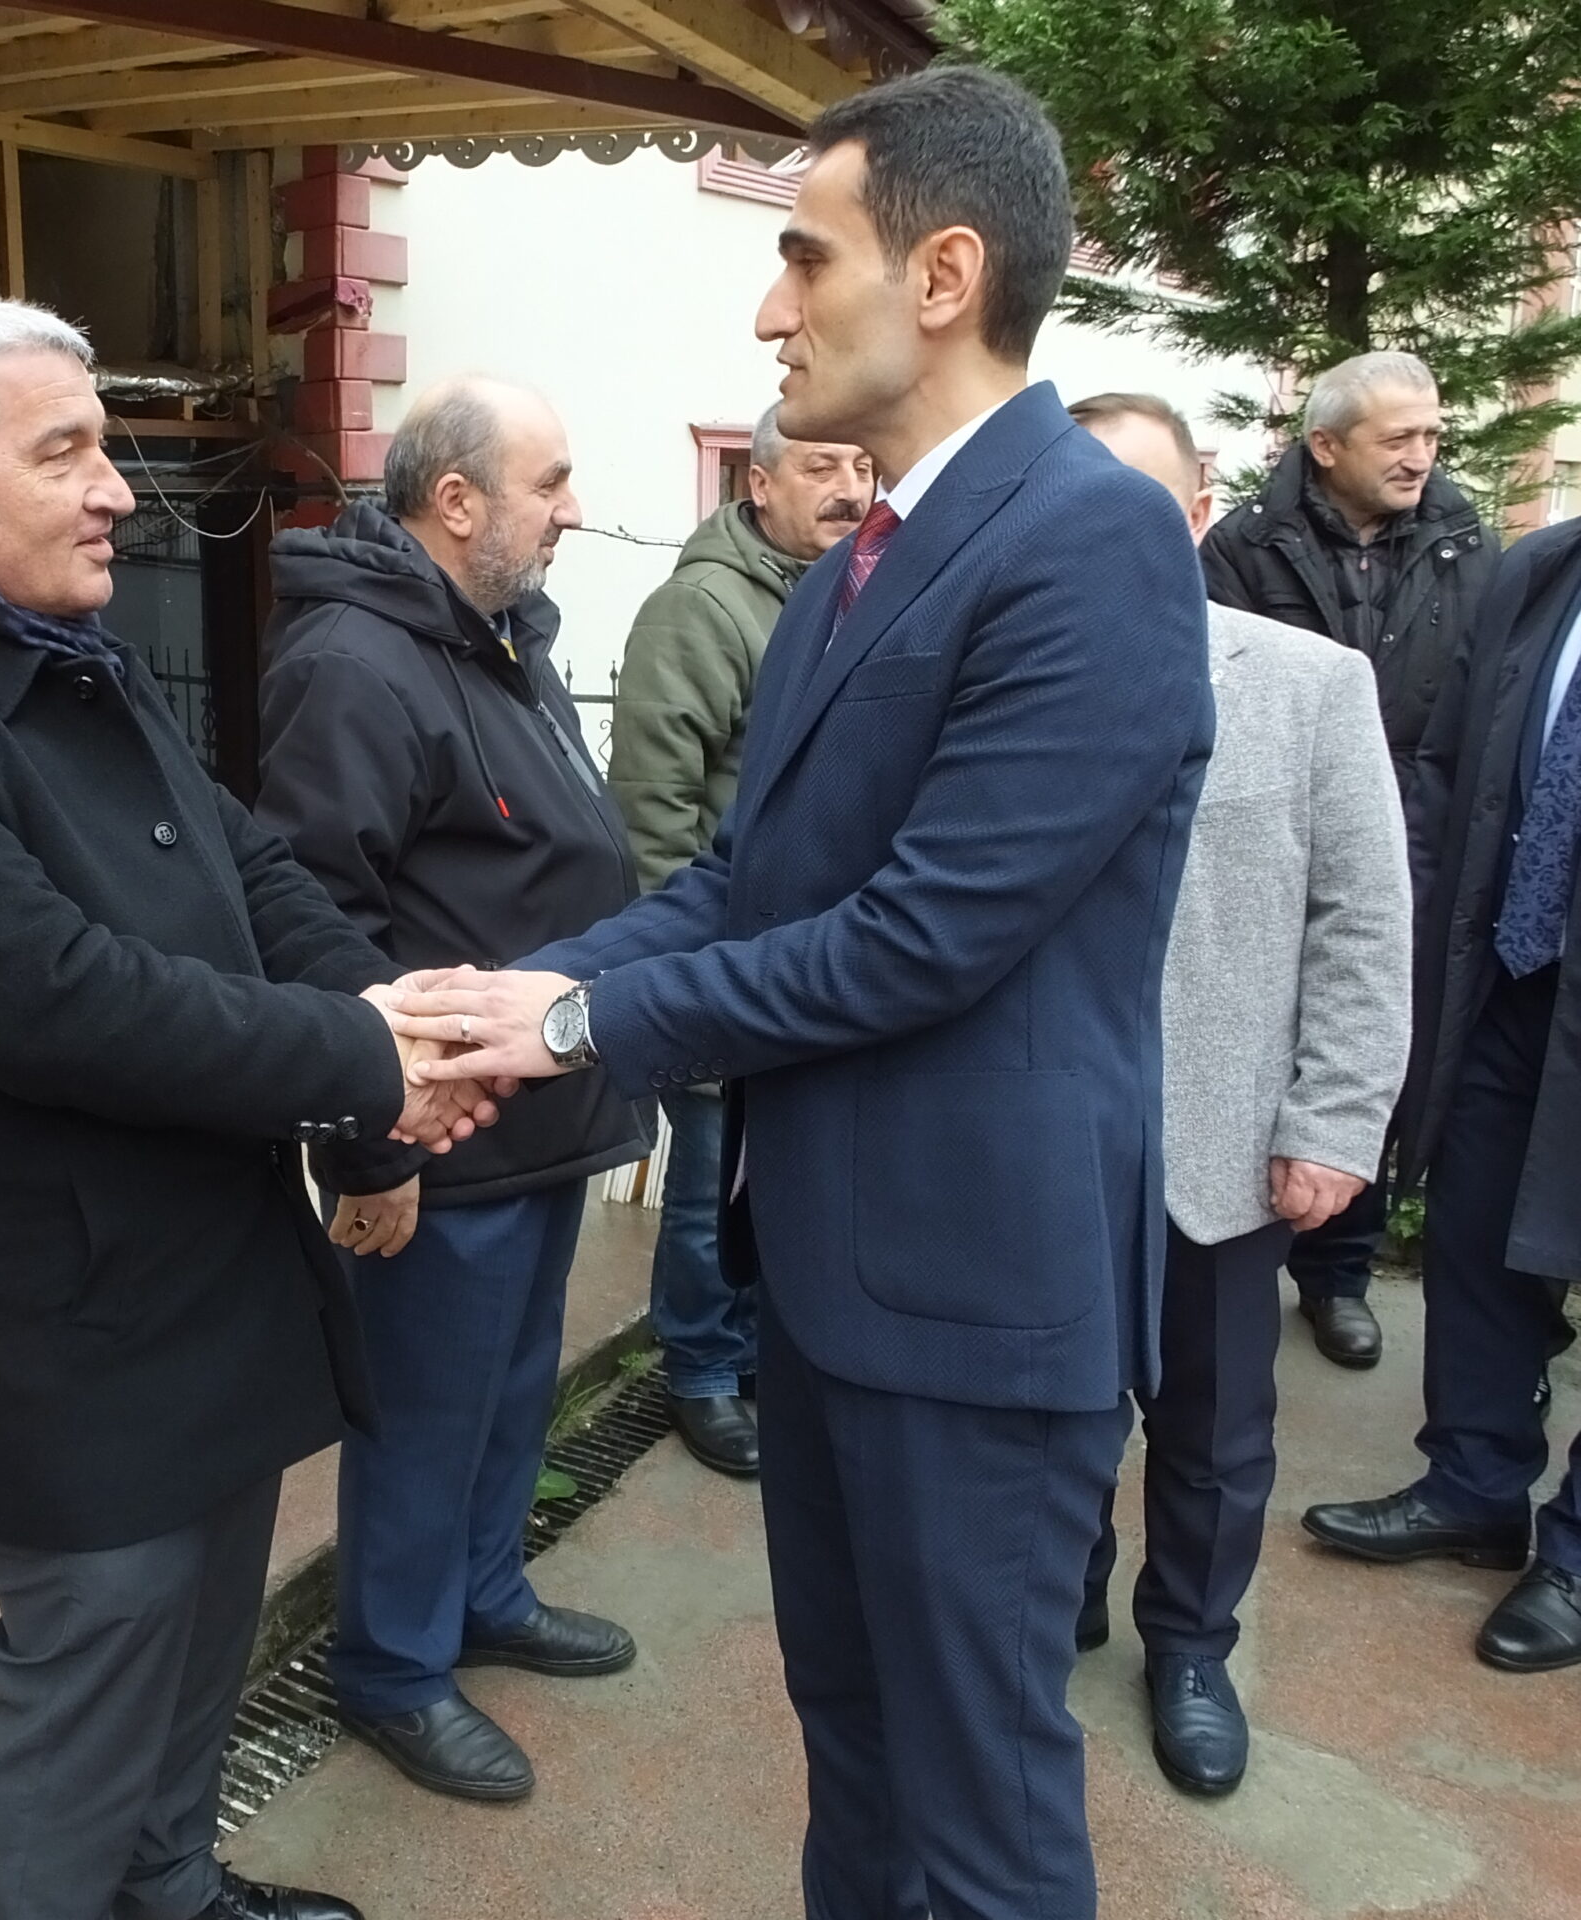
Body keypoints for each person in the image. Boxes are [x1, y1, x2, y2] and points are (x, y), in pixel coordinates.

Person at [387, 67, 1212, 1920]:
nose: (771, 309)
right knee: (853, 1745)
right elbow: (749, 887)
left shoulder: (1086, 539)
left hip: (976, 1313)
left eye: (806, 257)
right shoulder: (861, 563)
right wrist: (516, 993)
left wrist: (576, 1030)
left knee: (979, 1817)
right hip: (833, 1293)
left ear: (943, 274)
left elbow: (925, 936)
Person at [0, 297, 496, 1920]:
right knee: (88, 1710)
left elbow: (259, 878)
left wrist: (404, 1043)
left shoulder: (79, 665)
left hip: (220, 1287)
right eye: (65, 453)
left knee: (201, 1659)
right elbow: (61, 1001)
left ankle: (179, 1894)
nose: (116, 493)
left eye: (108, 448)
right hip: (76, 1337)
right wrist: (366, 1058)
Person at [253, 376, 648, 1804]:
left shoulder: (497, 636)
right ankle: (393, 1670)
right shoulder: (355, 665)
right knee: (424, 1420)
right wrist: (374, 1150)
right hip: (440, 1135)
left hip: (537, 1115)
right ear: (457, 500)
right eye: (550, 483)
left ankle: (485, 1594)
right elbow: (313, 923)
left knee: (509, 1392)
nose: (573, 510)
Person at [1068, 393, 1410, 1796]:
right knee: (1055, 1412)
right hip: (1049, 1137)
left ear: (1198, 513)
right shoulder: (1002, 672)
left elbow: (1363, 921)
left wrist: (1333, 1123)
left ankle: (1192, 1645)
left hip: (1223, 1141)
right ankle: (1059, 1594)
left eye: (1141, 505)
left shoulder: (1309, 684)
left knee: (1213, 1431)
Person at [1301, 512, 1581, 1672]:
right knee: (1473, 1232)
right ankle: (1473, 1484)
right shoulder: (1543, 569)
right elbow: (1448, 769)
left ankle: (1577, 1559)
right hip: (1513, 976)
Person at [1202, 350, 1497, 1369]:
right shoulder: (1243, 546)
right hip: (1273, 831)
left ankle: (1340, 1273)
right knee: (1260, 1031)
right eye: (1398, 438)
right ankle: (1241, 1243)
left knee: (1371, 1037)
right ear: (1325, 447)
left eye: (1432, 435)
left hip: (1411, 826)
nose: (1422, 456)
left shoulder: (1466, 546)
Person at [607, 403, 873, 1479]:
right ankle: (703, 1368)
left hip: (817, 967)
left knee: (785, 1177)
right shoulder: (702, 609)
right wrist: (692, 977)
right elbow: (654, 804)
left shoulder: (860, 590)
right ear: (757, 484)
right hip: (726, 963)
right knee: (709, 1181)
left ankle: (763, 1355)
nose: (848, 487)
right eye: (820, 465)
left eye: (861, 465)